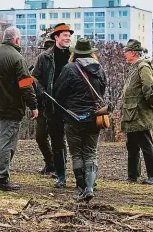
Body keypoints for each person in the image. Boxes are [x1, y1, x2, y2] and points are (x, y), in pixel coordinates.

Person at [0, 26, 38, 191]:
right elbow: (26, 86)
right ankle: (0, 178)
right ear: (17, 40)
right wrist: (33, 106)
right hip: (11, 108)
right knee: (6, 144)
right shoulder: (17, 58)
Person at [54, 38, 107, 202]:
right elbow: (102, 91)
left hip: (73, 118)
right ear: (91, 52)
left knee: (76, 154)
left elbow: (58, 94)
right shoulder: (99, 69)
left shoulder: (69, 68)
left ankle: (81, 188)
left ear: (75, 53)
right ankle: (90, 187)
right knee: (91, 153)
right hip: (94, 118)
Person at [32, 23, 73, 188]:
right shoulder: (45, 57)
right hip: (51, 104)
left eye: (69, 35)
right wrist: (42, 93)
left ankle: (82, 176)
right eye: (64, 35)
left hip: (71, 104)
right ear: (56, 37)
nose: (67, 38)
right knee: (56, 139)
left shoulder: (74, 56)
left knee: (76, 141)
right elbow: (34, 78)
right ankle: (59, 173)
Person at [122, 39, 153, 185]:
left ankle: (152, 176)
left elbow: (149, 89)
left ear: (133, 53)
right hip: (131, 114)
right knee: (132, 145)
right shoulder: (134, 67)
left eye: (126, 51)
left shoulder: (143, 66)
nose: (124, 54)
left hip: (139, 114)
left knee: (146, 145)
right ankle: (132, 176)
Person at [34, 39, 55, 175]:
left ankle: (59, 167)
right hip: (42, 104)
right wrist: (41, 91)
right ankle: (50, 162)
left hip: (58, 104)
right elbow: (34, 78)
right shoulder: (40, 61)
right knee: (40, 137)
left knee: (57, 137)